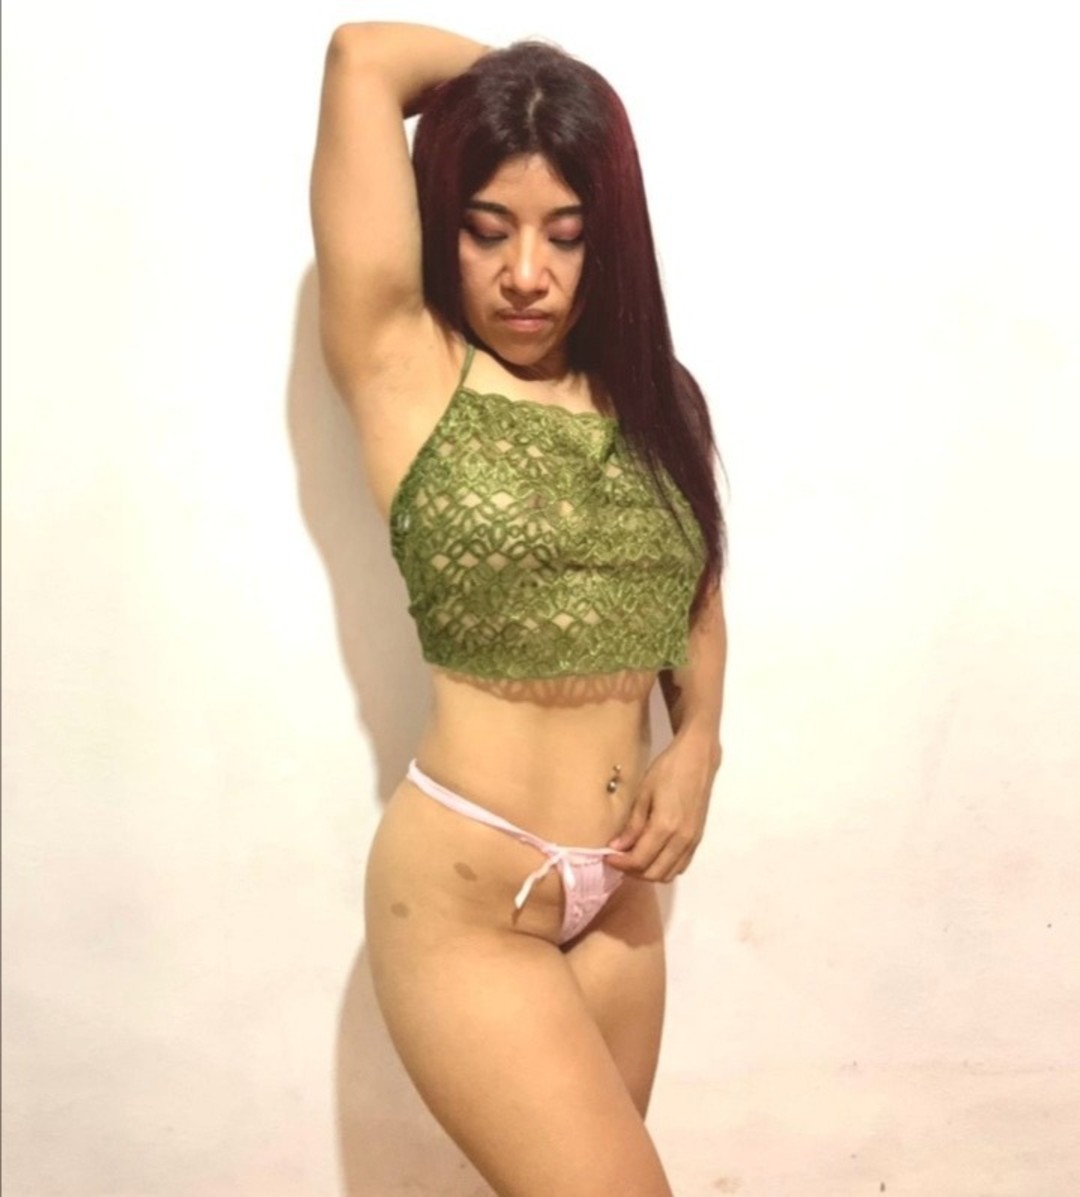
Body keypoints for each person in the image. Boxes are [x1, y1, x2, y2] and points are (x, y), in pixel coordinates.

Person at [310, 21, 727, 1196]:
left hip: (622, 900)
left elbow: (694, 598)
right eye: (487, 229)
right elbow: (360, 57)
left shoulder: (660, 403)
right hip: (467, 900)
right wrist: (536, 90)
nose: (527, 272)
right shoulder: (408, 370)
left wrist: (700, 739)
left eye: (567, 232)